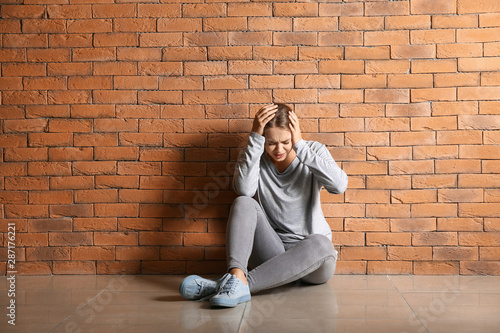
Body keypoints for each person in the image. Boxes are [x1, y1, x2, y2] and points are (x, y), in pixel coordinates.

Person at [179, 103, 348, 308]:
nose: (279, 149)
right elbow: (245, 190)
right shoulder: (254, 153)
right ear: (262, 139)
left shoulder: (313, 151)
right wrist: (255, 141)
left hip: (313, 261)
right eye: (270, 143)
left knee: (322, 243)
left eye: (286, 141)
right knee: (243, 202)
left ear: (294, 134)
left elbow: (339, 186)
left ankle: (231, 286)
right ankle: (236, 276)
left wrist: (300, 146)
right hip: (273, 254)